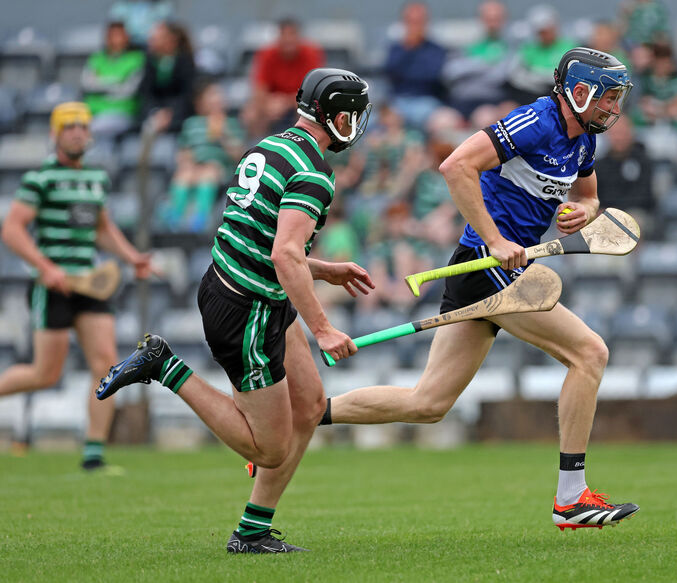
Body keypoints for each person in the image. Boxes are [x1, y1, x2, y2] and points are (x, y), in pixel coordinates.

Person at [320, 48, 640, 530]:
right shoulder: (537, 121)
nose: (613, 109)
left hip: (491, 269)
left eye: (617, 99)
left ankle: (301, 417)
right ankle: (570, 500)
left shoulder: (583, 142)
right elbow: (456, 166)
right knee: (589, 354)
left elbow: (590, 197)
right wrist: (495, 239)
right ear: (578, 92)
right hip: (488, 265)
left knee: (427, 404)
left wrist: (585, 213)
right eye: (608, 98)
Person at [96, 69, 375, 553]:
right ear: (339, 118)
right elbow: (284, 255)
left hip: (241, 287)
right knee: (268, 447)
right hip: (250, 309)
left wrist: (323, 269)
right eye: (356, 117)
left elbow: (262, 238)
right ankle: (165, 366)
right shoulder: (314, 172)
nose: (358, 126)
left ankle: (253, 530)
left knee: (308, 407)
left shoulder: (267, 147)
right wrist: (324, 328)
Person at [0, 102, 156, 471]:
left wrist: (132, 256)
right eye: (69, 126)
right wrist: (45, 267)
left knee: (105, 364)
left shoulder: (95, 179)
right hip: (53, 286)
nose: (77, 132)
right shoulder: (40, 179)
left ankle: (94, 454)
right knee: (45, 374)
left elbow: (102, 230)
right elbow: (12, 229)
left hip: (91, 285)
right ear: (55, 134)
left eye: (83, 126)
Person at [159, 82, 246, 233]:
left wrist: (224, 135)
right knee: (184, 174)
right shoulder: (191, 124)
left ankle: (201, 218)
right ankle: (174, 217)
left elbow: (239, 154)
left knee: (209, 171)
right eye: (211, 96)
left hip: (219, 168)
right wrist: (186, 161)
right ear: (200, 103)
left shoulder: (231, 124)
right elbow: (184, 149)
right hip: (194, 165)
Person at [243, 18, 325, 138]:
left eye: (292, 34)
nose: (288, 40)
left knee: (307, 112)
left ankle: (303, 147)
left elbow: (313, 91)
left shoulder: (311, 53)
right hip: (273, 103)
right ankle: (259, 148)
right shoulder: (267, 54)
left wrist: (286, 102)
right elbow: (259, 88)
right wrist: (267, 104)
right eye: (284, 35)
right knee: (251, 115)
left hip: (300, 103)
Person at [384, 2, 447, 130]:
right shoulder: (396, 49)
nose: (414, 26)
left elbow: (431, 77)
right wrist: (409, 48)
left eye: (418, 21)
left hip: (426, 101)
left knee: (443, 121)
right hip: (398, 101)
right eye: (410, 21)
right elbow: (391, 73)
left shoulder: (436, 50)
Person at [80, 21, 145, 141]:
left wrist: (100, 83)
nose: (115, 39)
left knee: (94, 130)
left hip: (122, 114)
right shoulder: (96, 58)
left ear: (127, 38)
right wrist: (116, 82)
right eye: (111, 35)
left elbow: (128, 90)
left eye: (118, 35)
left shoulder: (137, 59)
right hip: (92, 113)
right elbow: (87, 84)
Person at [139, 21, 196, 134]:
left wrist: (170, 113)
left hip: (179, 118)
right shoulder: (150, 64)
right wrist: (155, 112)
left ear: (171, 40)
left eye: (156, 38)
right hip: (155, 116)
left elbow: (187, 94)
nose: (150, 42)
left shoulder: (185, 62)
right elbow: (146, 93)